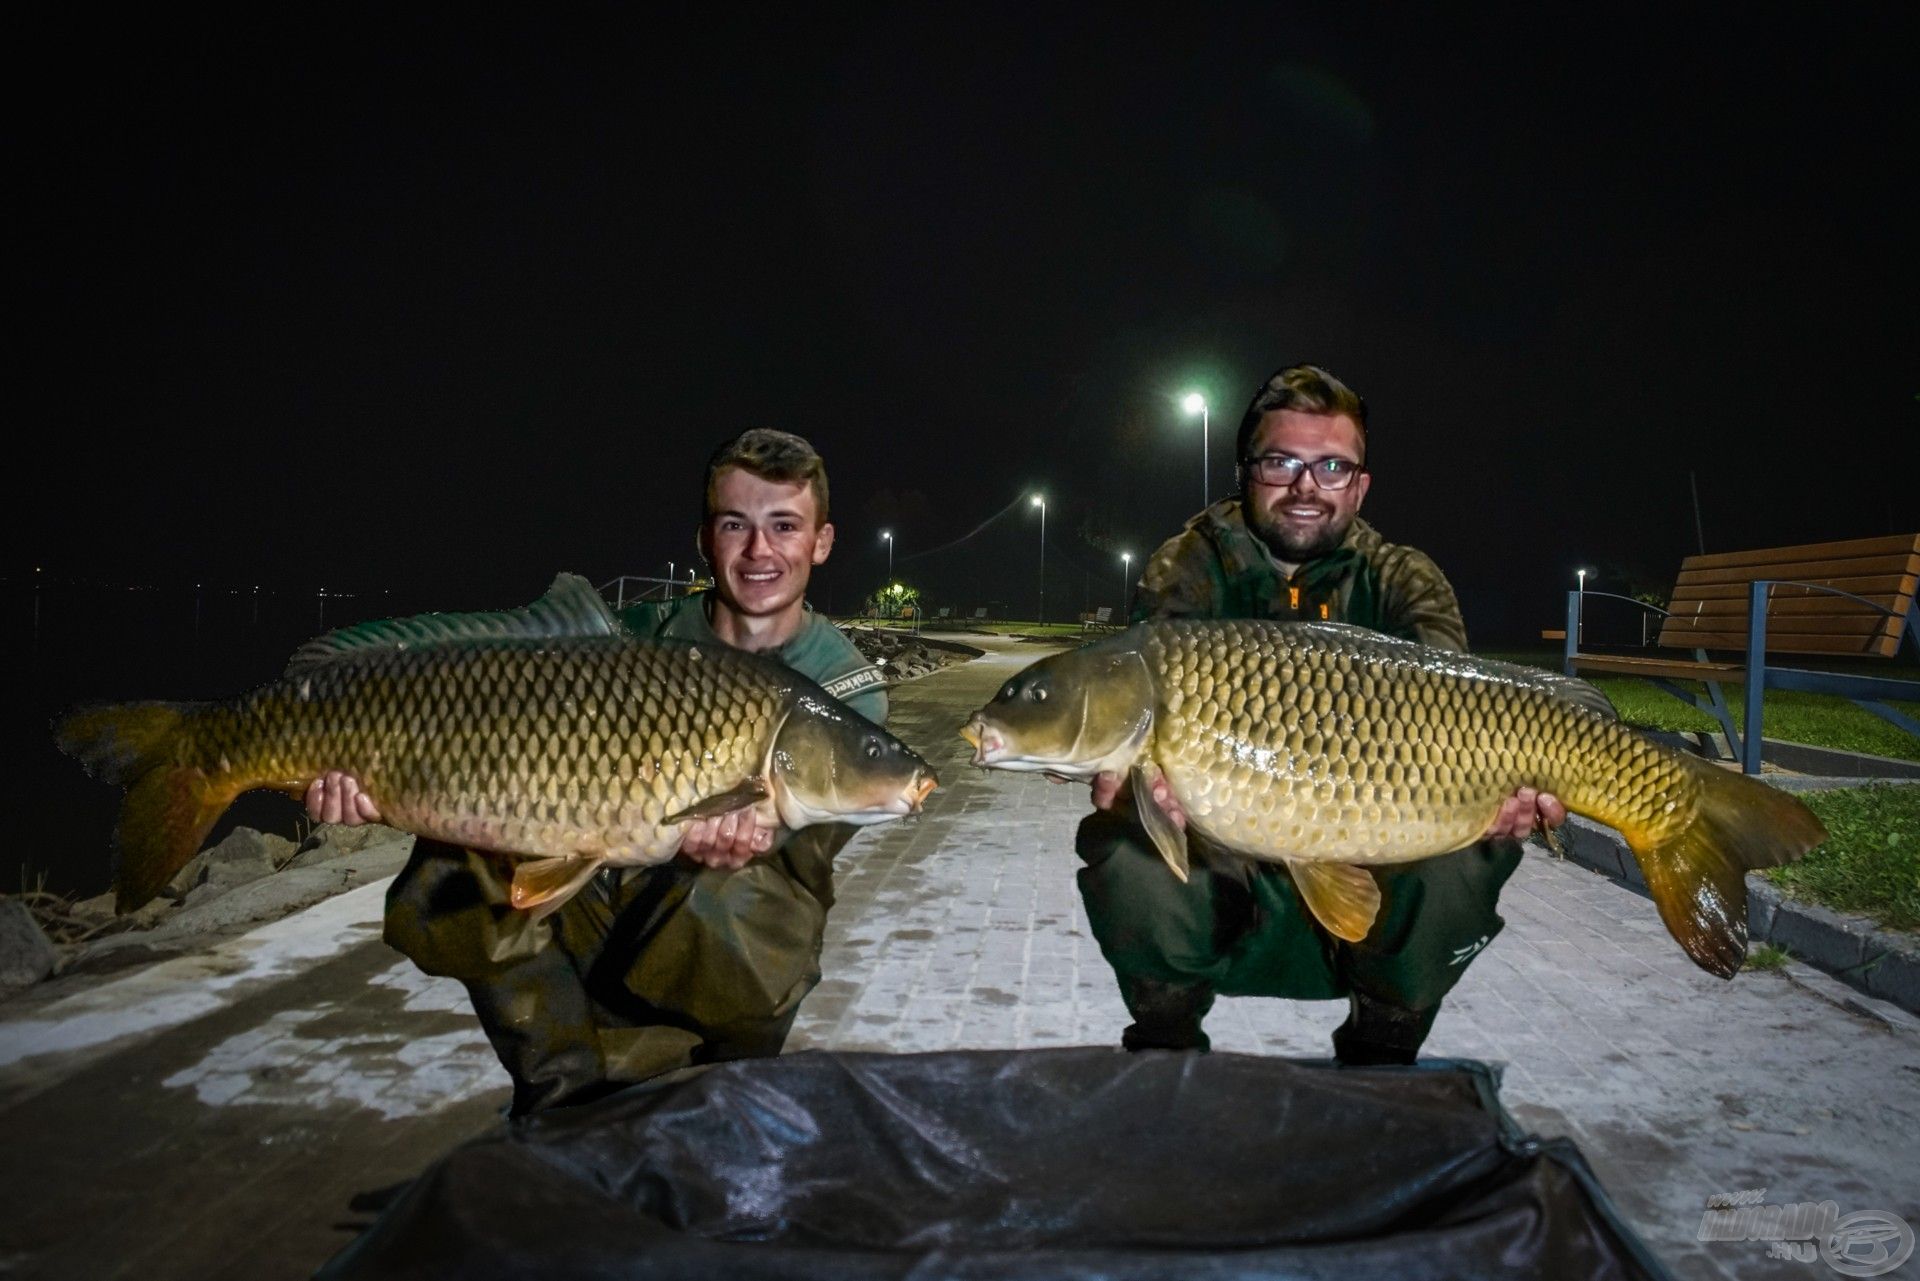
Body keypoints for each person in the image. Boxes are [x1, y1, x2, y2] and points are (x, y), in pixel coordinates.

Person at [308, 429, 886, 1114]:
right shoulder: (631, 634)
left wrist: (752, 840)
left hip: (734, 931)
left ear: (820, 541)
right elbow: (504, 737)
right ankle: (562, 1091)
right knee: (452, 873)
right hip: (600, 886)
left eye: (783, 526)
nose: (760, 551)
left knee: (729, 898)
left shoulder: (846, 687)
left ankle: (722, 1080)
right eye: (737, 524)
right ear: (706, 537)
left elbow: (805, 848)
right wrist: (387, 781)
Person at [1076, 364, 1567, 1066]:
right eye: (1283, 462)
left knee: (1469, 854)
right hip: (1226, 870)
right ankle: (1167, 1046)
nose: (1307, 486)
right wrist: (1130, 783)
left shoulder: (1403, 580)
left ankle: (1383, 1049)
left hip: (1376, 857)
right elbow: (1139, 709)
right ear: (1248, 470)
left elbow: (1463, 713)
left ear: (1360, 485)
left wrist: (1501, 798)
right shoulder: (1188, 565)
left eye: (1333, 466)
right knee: (1127, 846)